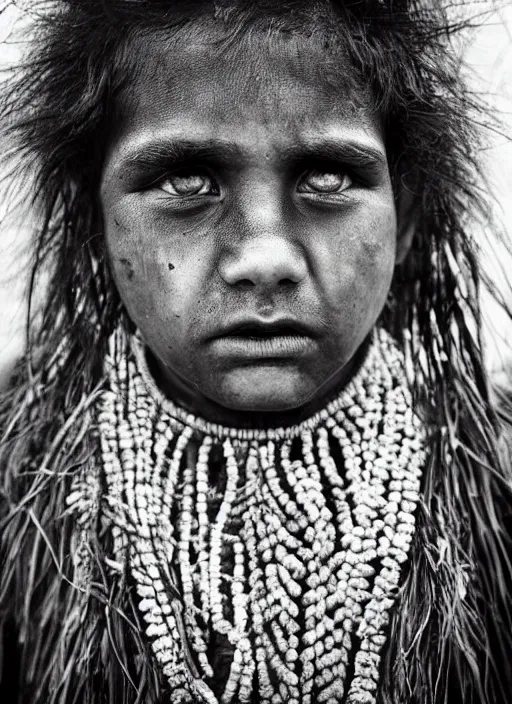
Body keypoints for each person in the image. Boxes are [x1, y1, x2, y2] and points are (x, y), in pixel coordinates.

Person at [1, 1, 511, 703]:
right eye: (185, 180)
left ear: (408, 218)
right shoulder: (16, 490)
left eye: (328, 177)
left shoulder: (496, 487)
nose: (265, 256)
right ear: (95, 227)